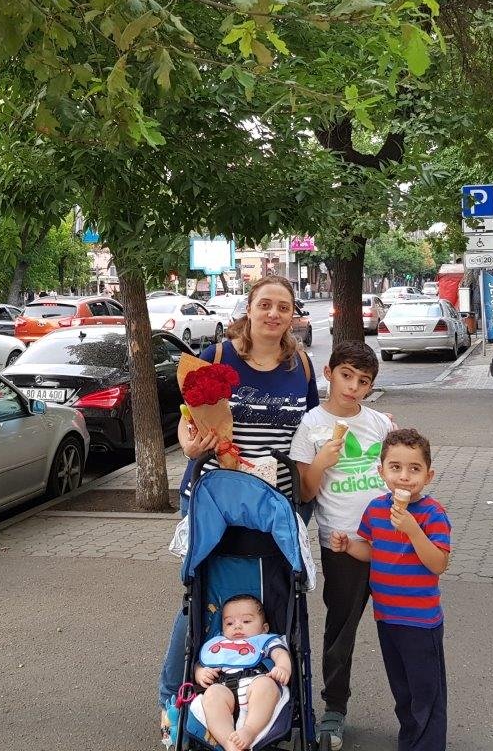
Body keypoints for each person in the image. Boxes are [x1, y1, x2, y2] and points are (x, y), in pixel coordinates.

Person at [159, 274, 319, 736]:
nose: (273, 314)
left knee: (277, 596)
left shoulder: (301, 366)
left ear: (292, 315)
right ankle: (173, 697)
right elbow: (188, 419)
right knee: (202, 597)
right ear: (248, 309)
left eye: (283, 307)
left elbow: (310, 429)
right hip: (216, 499)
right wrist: (189, 445)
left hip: (277, 502)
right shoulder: (217, 357)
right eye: (265, 304)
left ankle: (272, 696)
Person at [289, 341, 392, 750]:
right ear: (329, 373)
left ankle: (415, 709)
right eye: (346, 376)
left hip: (389, 542)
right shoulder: (311, 425)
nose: (353, 387)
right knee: (341, 630)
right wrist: (320, 463)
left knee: (403, 627)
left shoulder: (378, 424)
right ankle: (334, 706)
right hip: (342, 543)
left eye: (363, 381)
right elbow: (306, 491)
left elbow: (397, 470)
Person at [330, 429, 450, 751]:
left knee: (426, 694)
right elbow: (374, 550)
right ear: (381, 471)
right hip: (387, 617)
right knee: (403, 691)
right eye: (395, 467)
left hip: (421, 623)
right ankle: (410, 741)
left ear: (428, 476)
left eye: (414, 469)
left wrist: (412, 529)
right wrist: (349, 547)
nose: (404, 477)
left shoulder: (432, 514)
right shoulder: (375, 509)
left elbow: (438, 563)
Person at [193, 595, 292, 751]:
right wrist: (200, 673)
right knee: (212, 694)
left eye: (246, 621)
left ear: (264, 628)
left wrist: (283, 667)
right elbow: (201, 663)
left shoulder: (264, 640)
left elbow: (280, 654)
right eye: (229, 623)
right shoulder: (218, 644)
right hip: (224, 690)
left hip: (255, 688)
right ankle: (229, 742)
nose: (237, 626)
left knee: (266, 685)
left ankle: (249, 731)